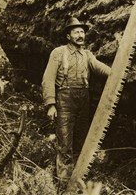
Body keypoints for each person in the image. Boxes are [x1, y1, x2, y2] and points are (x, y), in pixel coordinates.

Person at [42, 17, 111, 183]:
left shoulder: (87, 55)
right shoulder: (58, 53)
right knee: (65, 142)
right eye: (76, 32)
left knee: (82, 140)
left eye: (82, 32)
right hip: (64, 100)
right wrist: (51, 104)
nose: (80, 35)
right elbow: (48, 78)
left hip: (83, 101)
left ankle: (79, 178)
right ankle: (65, 183)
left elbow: (100, 67)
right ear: (68, 36)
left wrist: (116, 72)